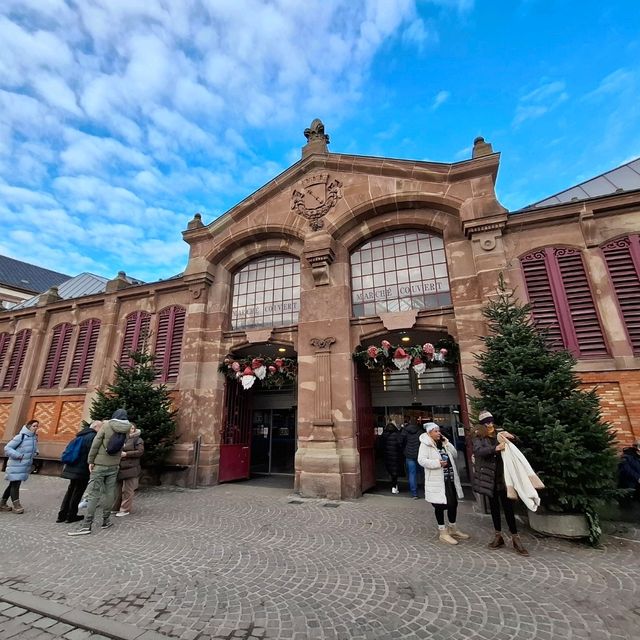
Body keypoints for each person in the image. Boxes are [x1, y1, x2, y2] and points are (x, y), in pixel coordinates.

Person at [472, 410, 529, 556]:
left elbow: (517, 443)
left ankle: (515, 537)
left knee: (508, 507)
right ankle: (498, 535)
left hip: (504, 477)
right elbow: (478, 451)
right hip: (489, 477)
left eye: (491, 421)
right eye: (487, 423)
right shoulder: (478, 435)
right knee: (494, 508)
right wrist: (495, 448)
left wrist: (513, 437)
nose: (490, 425)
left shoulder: (500, 432)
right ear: (482, 424)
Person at [68, 408, 132, 536]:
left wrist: (90, 461)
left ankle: (87, 525)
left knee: (93, 493)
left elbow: (96, 444)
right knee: (109, 493)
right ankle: (106, 520)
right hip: (114, 465)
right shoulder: (127, 428)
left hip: (100, 464)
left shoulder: (106, 425)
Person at [418, 422, 469, 544]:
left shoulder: (443, 443)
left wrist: (447, 442)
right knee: (439, 505)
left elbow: (455, 454)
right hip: (437, 479)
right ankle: (442, 531)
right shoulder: (426, 445)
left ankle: (453, 528)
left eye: (439, 431)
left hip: (449, 478)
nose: (438, 433)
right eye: (435, 431)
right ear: (429, 433)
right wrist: (437, 463)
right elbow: (421, 460)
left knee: (453, 503)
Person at [56, 420, 102, 523]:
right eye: (101, 427)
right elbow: (93, 453)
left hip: (72, 467)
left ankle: (61, 515)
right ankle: (71, 515)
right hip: (82, 469)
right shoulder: (92, 437)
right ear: (96, 427)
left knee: (70, 491)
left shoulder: (80, 435)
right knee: (77, 492)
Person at [1, 419, 40, 514]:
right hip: (16, 465)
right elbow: (7, 448)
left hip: (24, 466)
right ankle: (16, 505)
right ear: (29, 426)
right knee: (15, 484)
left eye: (37, 426)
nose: (36, 428)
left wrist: (35, 451)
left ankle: (2, 503)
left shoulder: (34, 438)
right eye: (34, 426)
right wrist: (18, 455)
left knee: (12, 484)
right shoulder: (21, 436)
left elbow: (30, 448)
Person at [113, 423, 144, 516]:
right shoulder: (121, 438)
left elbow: (140, 451)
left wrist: (127, 454)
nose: (131, 430)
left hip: (131, 467)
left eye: (133, 428)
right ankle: (115, 507)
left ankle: (125, 509)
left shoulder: (138, 439)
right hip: (119, 466)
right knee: (116, 490)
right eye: (129, 428)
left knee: (127, 490)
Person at [401, 416, 423, 499]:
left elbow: (400, 441)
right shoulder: (420, 431)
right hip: (419, 454)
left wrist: (404, 449)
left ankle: (414, 493)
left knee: (412, 473)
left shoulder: (405, 431)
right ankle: (426, 489)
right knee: (423, 473)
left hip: (409, 454)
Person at [380, 422, 403, 494]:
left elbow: (380, 445)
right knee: (395, 472)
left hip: (387, 455)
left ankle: (393, 486)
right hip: (396, 456)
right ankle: (394, 486)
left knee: (391, 471)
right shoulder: (397, 435)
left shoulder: (383, 435)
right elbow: (400, 444)